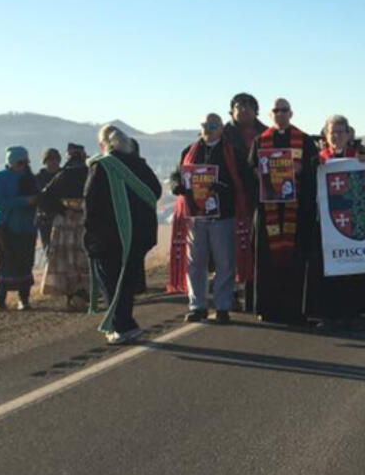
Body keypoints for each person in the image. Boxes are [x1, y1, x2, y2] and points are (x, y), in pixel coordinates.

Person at [169, 113, 252, 324]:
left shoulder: (232, 152)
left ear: (221, 128)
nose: (208, 128)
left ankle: (223, 306)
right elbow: (176, 174)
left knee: (225, 262)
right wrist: (175, 186)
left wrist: (222, 188)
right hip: (195, 216)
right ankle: (197, 306)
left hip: (222, 215)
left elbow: (244, 180)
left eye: (213, 125)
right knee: (196, 262)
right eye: (205, 124)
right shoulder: (189, 151)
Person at [84, 125, 161, 344]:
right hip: (138, 234)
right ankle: (126, 322)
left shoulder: (103, 166)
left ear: (103, 145)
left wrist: (89, 234)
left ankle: (123, 326)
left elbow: (92, 203)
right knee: (126, 280)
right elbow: (155, 191)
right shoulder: (139, 165)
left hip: (109, 235)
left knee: (110, 281)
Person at [307, 114, 365, 331]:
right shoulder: (318, 160)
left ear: (349, 135)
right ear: (326, 135)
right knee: (327, 270)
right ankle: (328, 315)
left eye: (340, 132)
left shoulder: (359, 158)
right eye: (332, 132)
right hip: (325, 224)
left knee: (351, 271)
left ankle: (351, 313)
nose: (336, 136)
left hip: (351, 223)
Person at [249, 98, 318, 325]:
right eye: (275, 110)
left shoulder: (304, 140)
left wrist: (300, 169)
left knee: (295, 259)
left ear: (291, 113)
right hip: (268, 207)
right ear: (270, 115)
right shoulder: (260, 141)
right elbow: (249, 168)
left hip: (296, 211)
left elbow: (315, 168)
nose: (280, 113)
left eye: (284, 110)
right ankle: (268, 308)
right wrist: (259, 174)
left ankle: (295, 309)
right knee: (267, 260)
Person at [223, 92, 265, 313]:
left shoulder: (267, 134)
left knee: (253, 249)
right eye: (239, 106)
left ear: (256, 110)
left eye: (248, 106)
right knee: (228, 253)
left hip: (259, 200)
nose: (244, 110)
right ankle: (230, 295)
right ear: (232, 111)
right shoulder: (222, 135)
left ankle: (254, 295)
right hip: (229, 201)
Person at [37, 142, 91, 306]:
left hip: (66, 223)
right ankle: (83, 291)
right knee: (83, 256)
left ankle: (72, 292)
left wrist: (63, 210)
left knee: (67, 258)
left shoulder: (63, 176)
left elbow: (45, 198)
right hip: (84, 221)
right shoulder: (90, 173)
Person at [0, 146, 40, 312]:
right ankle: (1, 302)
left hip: (27, 229)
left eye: (25, 162)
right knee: (4, 265)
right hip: (6, 229)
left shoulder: (30, 178)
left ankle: (24, 300)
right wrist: (25, 201)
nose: (23, 165)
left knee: (25, 264)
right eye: (20, 162)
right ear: (10, 162)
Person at [34, 148, 62, 249]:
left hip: (62, 217)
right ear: (45, 161)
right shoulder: (38, 178)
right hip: (45, 219)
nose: (53, 162)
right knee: (48, 248)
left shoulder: (64, 175)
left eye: (55, 159)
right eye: (50, 159)